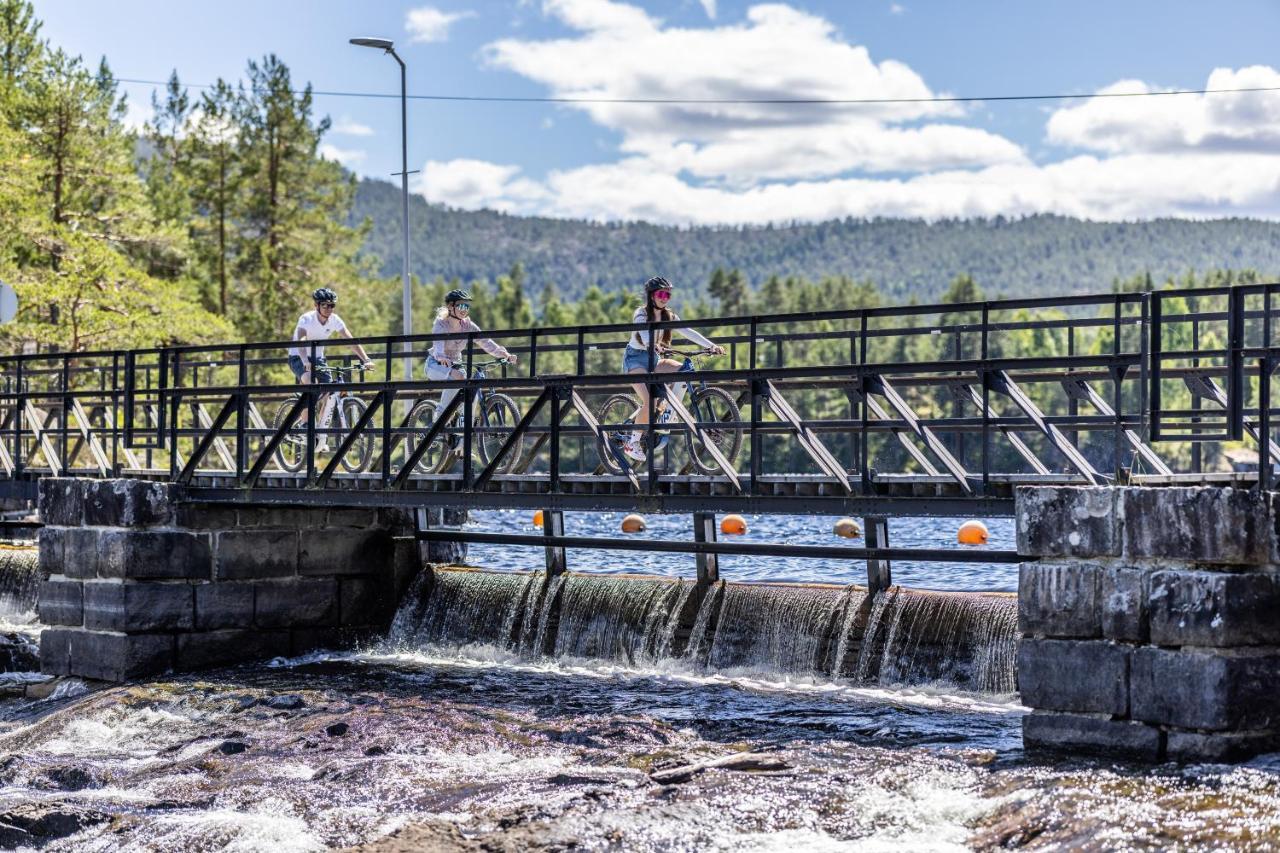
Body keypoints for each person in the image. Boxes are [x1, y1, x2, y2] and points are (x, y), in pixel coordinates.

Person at [620, 276, 724, 462]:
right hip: (635, 360)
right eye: (661, 294)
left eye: (668, 294)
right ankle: (632, 442)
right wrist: (652, 344)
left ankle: (669, 410)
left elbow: (687, 331)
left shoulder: (668, 315)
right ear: (651, 295)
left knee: (684, 372)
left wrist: (711, 345)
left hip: (655, 359)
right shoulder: (641, 314)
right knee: (650, 400)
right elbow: (644, 334)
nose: (664, 298)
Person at [287, 287, 375, 438]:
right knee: (311, 382)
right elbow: (301, 340)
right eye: (325, 305)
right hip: (298, 356)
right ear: (316, 306)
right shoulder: (306, 318)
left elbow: (351, 341)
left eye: (332, 305)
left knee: (329, 390)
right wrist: (304, 360)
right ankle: (304, 424)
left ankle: (320, 432)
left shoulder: (334, 320)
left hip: (318, 358)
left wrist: (366, 359)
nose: (328, 309)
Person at [425, 289, 518, 417]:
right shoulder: (441, 324)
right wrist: (441, 357)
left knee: (471, 388)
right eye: (461, 305)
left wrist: (504, 354)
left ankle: (464, 425)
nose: (464, 309)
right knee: (455, 376)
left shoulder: (468, 326)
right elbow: (438, 345)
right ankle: (438, 420)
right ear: (450, 306)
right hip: (435, 364)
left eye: (467, 306)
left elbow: (486, 342)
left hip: (456, 365)